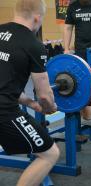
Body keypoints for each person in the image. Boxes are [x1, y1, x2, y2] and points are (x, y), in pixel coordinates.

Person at [0, 0, 60, 185]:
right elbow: (44, 95)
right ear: (37, 17)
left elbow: (5, 84)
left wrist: (30, 104)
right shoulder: (33, 45)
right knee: (50, 154)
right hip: (4, 112)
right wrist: (50, 107)